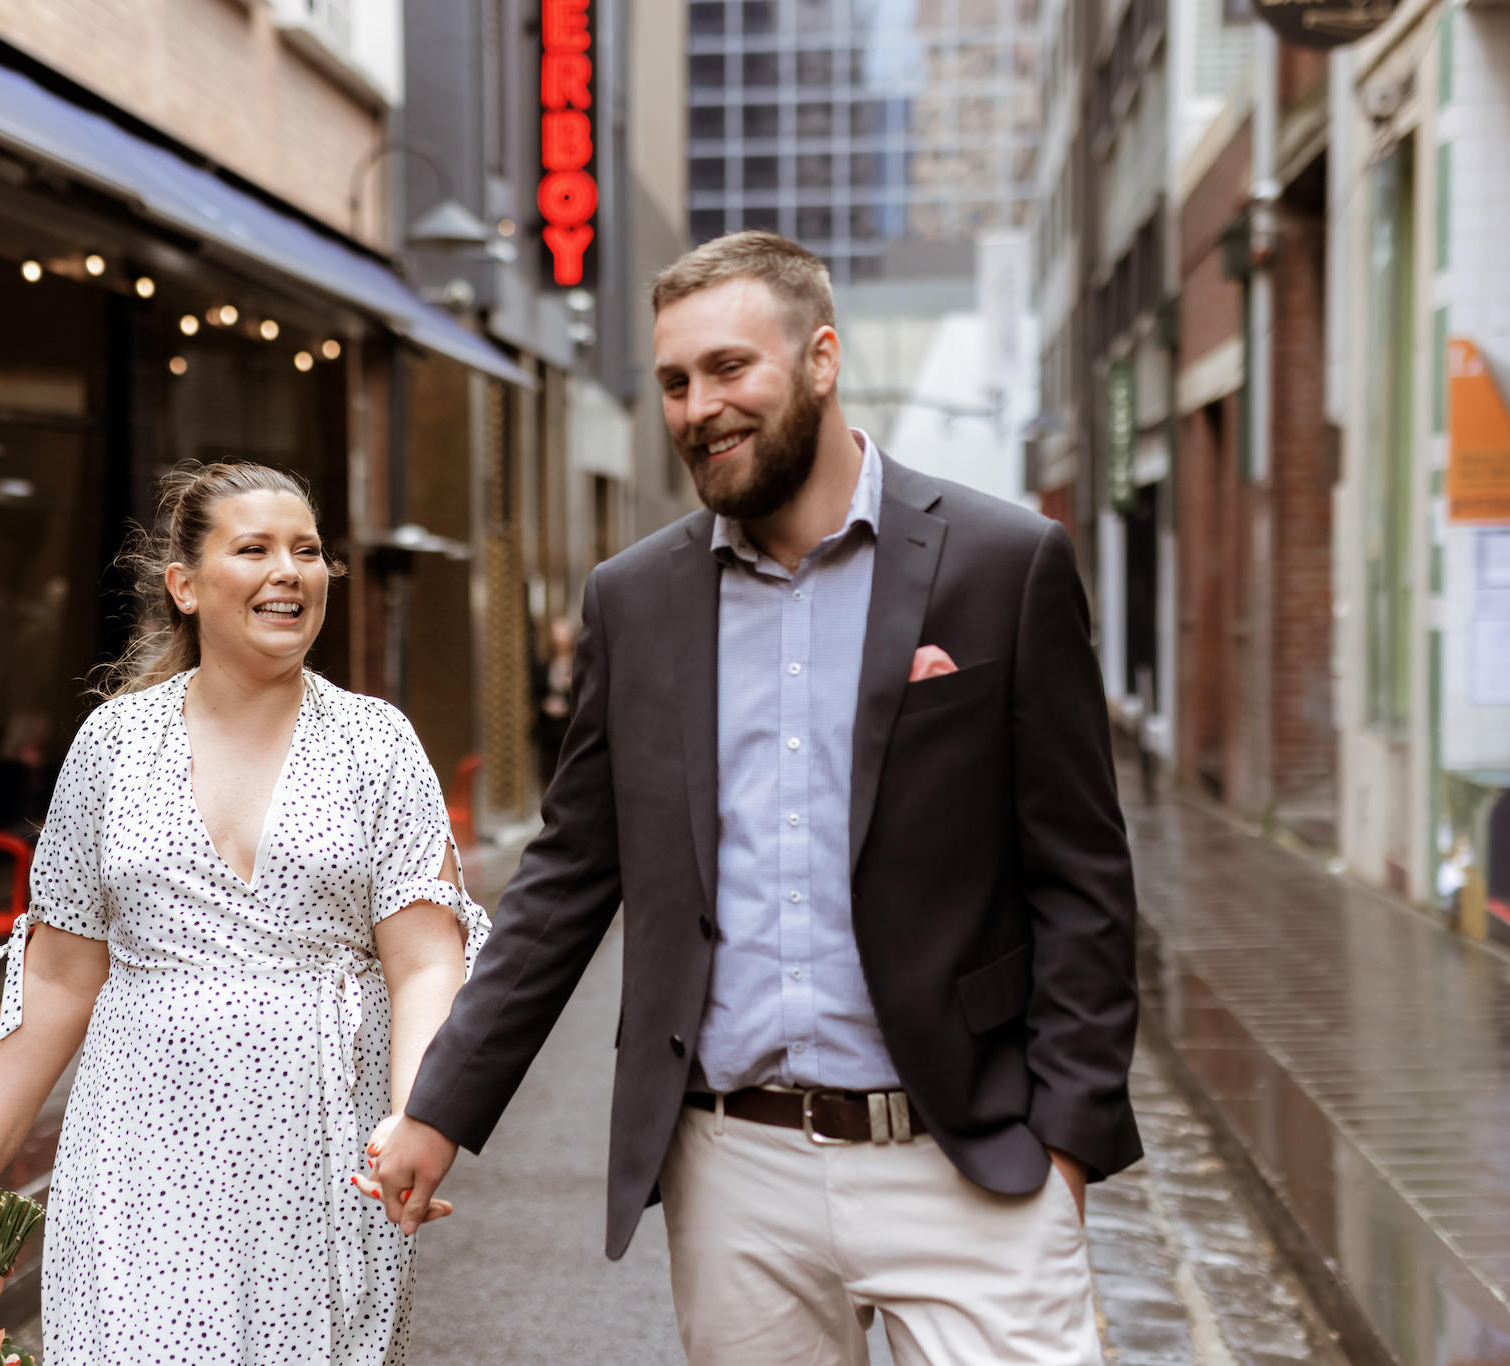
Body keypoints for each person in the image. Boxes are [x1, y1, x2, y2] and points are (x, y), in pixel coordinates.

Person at [372, 231, 1141, 1365]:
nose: (698, 407)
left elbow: (1082, 882)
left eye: (731, 368)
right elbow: (568, 878)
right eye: (675, 382)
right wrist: (437, 1108)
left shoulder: (1000, 563)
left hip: (968, 1153)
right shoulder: (633, 602)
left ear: (820, 360)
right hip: (736, 1168)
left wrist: (1063, 1152)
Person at [0, 461, 488, 1364]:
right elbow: (56, 972)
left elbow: (426, 958)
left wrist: (415, 1115)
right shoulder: (113, 745)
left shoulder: (376, 744)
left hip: (319, 1159)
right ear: (185, 587)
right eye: (256, 549)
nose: (291, 572)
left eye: (308, 552)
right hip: (133, 1154)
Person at [532, 613, 579, 786]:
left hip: (568, 727)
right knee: (547, 774)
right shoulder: (545, 664)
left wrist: (571, 688)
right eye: (556, 634)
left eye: (562, 634)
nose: (558, 639)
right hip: (548, 727)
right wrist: (545, 705)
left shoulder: (579, 664)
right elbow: (536, 692)